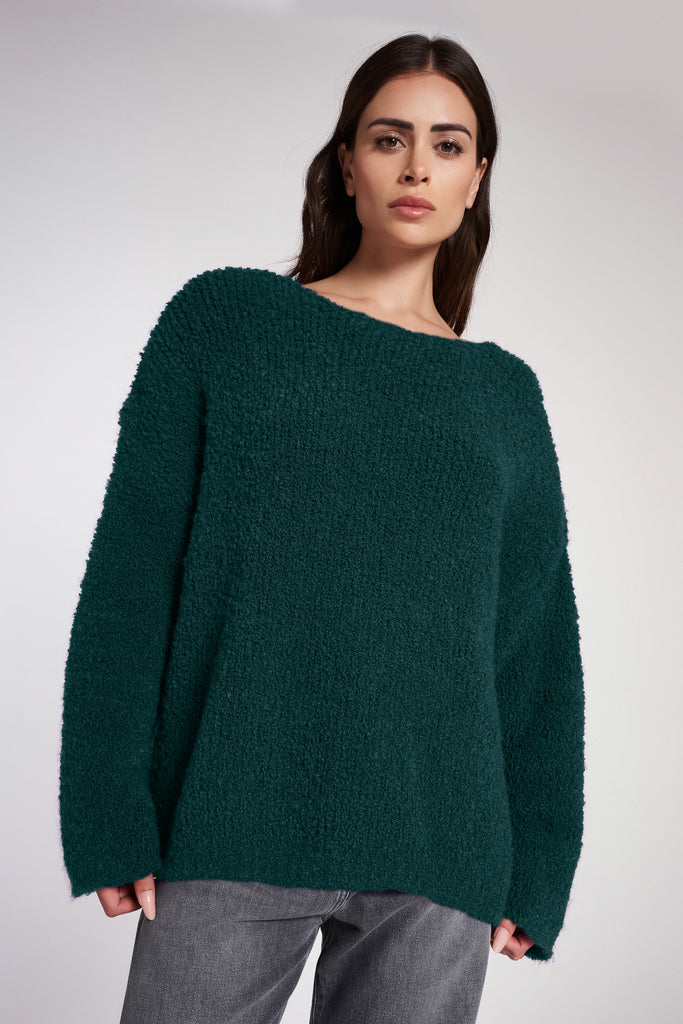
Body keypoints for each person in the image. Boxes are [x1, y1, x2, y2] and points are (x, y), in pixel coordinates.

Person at [58, 32, 585, 1024]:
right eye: (389, 138)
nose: (417, 165)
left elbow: (532, 649)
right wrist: (107, 808)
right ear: (346, 163)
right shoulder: (227, 322)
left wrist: (541, 861)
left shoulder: (502, 396)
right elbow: (131, 579)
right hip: (231, 815)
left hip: (441, 850)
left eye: (446, 144)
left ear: (476, 177)